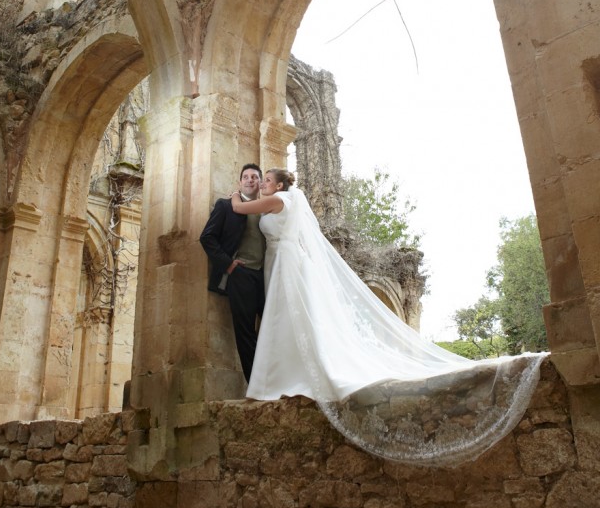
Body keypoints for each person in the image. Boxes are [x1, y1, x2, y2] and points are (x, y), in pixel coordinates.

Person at [231, 169, 547, 467]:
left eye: (267, 179)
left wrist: (234, 196)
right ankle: (279, 375)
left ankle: (278, 379)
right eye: (261, 180)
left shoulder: (279, 200)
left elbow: (241, 209)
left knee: (284, 317)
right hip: (280, 259)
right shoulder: (286, 202)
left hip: (284, 259)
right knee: (284, 317)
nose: (263, 184)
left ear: (281, 185)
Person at [200, 163, 265, 382]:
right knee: (245, 332)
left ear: (260, 182)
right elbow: (207, 237)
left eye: (254, 177)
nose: (249, 180)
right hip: (241, 275)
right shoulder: (226, 205)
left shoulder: (267, 209)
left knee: (272, 327)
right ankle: (257, 385)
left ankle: (276, 379)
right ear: (240, 182)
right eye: (245, 177)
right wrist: (228, 264)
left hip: (266, 277)